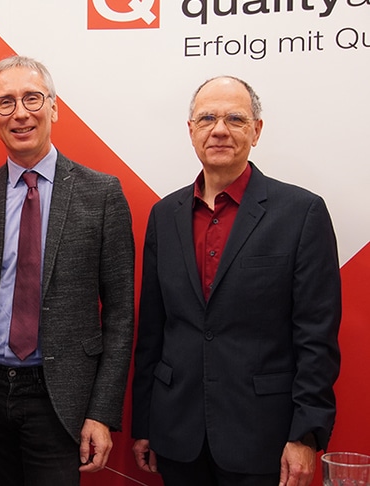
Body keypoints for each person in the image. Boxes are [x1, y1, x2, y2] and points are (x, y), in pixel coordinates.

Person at [0, 55, 135, 486]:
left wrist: (101, 412)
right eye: (5, 102)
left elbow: (120, 315)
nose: (20, 113)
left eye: (32, 98)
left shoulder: (102, 194)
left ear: (54, 107)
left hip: (59, 397)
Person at [131, 76, 341, 486]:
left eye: (235, 119)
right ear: (191, 131)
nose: (220, 129)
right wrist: (145, 422)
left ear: (256, 130)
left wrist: (305, 433)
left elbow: (316, 336)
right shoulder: (164, 215)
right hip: (177, 436)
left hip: (263, 438)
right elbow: (153, 332)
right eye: (207, 118)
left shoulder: (301, 213)